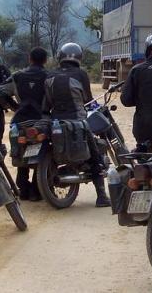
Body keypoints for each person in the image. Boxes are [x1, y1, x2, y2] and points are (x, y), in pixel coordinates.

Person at [43, 42, 110, 207]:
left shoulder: (50, 76)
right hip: (78, 121)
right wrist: (97, 108)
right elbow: (88, 99)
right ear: (79, 58)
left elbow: (47, 103)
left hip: (56, 122)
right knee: (95, 155)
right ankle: (101, 196)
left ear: (60, 57)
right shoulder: (81, 74)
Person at [0, 47, 50, 201]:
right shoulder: (49, 76)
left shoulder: (17, 76)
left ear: (30, 59)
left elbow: (0, 93)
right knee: (44, 151)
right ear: (45, 60)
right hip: (41, 120)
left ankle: (23, 188)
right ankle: (37, 188)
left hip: (20, 120)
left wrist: (14, 107)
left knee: (20, 152)